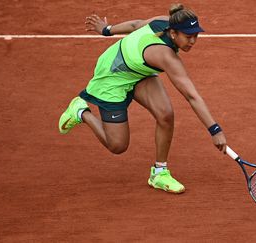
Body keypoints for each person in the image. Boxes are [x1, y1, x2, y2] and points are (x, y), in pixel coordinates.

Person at [59, 3, 227, 194]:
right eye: (188, 36)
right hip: (112, 76)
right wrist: (215, 130)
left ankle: (159, 173)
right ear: (173, 34)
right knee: (118, 146)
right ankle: (80, 111)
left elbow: (136, 25)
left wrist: (107, 30)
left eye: (196, 35)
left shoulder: (166, 22)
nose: (193, 41)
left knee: (165, 115)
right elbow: (191, 95)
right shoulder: (166, 56)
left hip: (137, 71)